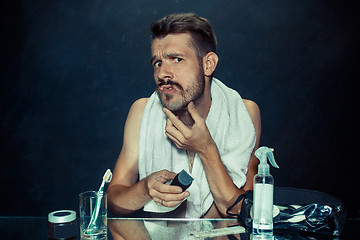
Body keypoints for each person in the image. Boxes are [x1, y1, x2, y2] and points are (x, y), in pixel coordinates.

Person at [108, 13, 261, 218]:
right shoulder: (142, 111)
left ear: (208, 64)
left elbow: (244, 210)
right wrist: (145, 189)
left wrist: (206, 149)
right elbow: (114, 201)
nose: (162, 74)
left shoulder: (244, 113)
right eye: (157, 63)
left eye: (176, 59)